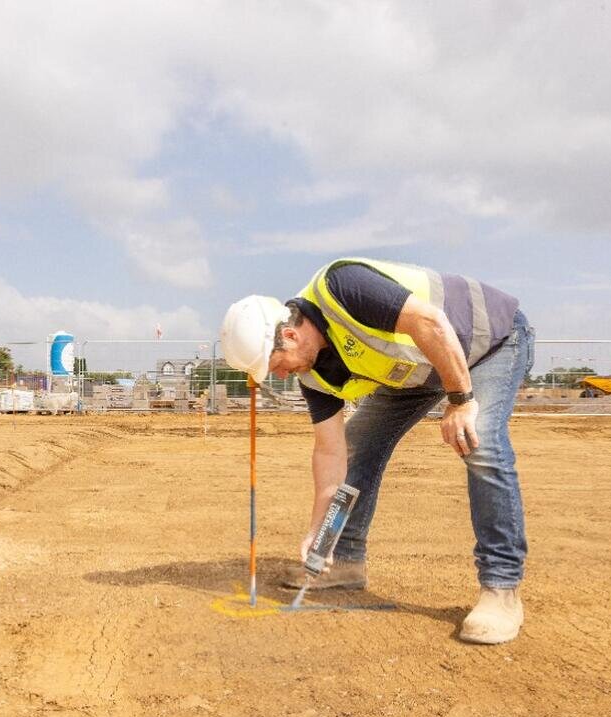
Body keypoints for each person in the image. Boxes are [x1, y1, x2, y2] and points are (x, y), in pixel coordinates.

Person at [220, 258, 534, 644]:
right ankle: (345, 559)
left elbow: (430, 322)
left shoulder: (342, 286)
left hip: (488, 341)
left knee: (478, 438)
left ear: (288, 336)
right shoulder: (313, 374)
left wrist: (462, 401)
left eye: (276, 365)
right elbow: (331, 453)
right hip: (420, 369)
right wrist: (320, 532)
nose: (281, 375)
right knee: (359, 444)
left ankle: (501, 589)